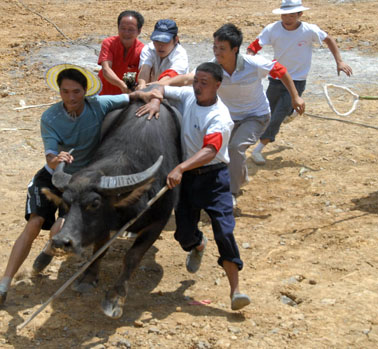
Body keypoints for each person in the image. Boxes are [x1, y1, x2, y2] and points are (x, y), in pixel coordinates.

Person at [0, 65, 153, 304]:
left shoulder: (99, 105)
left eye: (76, 92)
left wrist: (154, 96)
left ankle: (47, 250)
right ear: (59, 92)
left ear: (85, 91)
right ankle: (4, 283)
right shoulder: (50, 117)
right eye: (65, 92)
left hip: (81, 184)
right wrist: (58, 159)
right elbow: (50, 158)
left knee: (60, 228)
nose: (71, 97)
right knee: (34, 223)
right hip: (55, 176)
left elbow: (131, 96)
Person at [137, 62, 250, 310]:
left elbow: (210, 151)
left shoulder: (219, 117)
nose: (198, 87)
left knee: (224, 231)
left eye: (204, 83)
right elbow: (162, 89)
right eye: (196, 81)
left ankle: (236, 291)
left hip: (214, 179)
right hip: (188, 181)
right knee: (183, 234)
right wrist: (155, 98)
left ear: (217, 86)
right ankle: (197, 244)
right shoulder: (189, 95)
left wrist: (180, 167)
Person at [152, 24, 304, 205]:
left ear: (235, 49)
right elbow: (187, 79)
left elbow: (281, 71)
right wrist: (159, 85)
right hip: (228, 119)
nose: (217, 52)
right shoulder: (213, 67)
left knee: (235, 148)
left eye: (222, 48)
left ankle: (231, 193)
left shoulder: (253, 64)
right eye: (215, 47)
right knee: (221, 153)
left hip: (255, 116)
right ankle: (240, 177)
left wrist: (295, 97)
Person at [248, 0, 353, 165]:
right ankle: (291, 112)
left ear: (300, 14)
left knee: (277, 117)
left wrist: (339, 61)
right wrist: (250, 60)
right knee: (267, 112)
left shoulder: (309, 30)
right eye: (284, 15)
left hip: (297, 81)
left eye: (291, 15)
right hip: (276, 79)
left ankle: (258, 150)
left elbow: (329, 39)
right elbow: (254, 46)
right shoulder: (272, 29)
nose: (287, 18)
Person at [98, 10, 145, 95]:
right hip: (103, 95)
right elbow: (106, 69)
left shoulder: (143, 50)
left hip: (127, 98)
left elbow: (144, 74)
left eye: (131, 29)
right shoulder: (108, 43)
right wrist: (122, 85)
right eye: (123, 28)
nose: (126, 33)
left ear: (139, 31)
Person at [136, 19, 189, 90]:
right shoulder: (149, 48)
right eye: (157, 41)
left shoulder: (180, 55)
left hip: (174, 97)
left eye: (165, 41)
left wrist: (151, 87)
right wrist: (142, 85)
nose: (160, 46)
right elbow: (145, 68)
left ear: (176, 40)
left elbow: (170, 76)